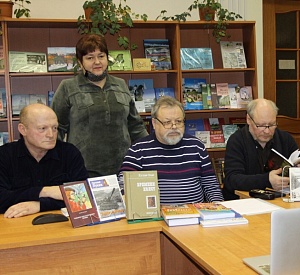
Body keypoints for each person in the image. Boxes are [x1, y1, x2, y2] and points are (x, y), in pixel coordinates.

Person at [52, 34, 148, 177]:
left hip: (125, 168)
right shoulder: (68, 87)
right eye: (90, 58)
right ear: (80, 62)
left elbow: (135, 126)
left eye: (101, 56)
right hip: (83, 170)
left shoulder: (120, 84)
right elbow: (56, 129)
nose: (97, 62)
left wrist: (152, 150)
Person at [119, 96, 223, 204]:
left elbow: (211, 186)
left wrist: (218, 210)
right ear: (154, 123)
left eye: (178, 121)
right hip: (155, 217)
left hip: (194, 215)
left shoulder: (196, 146)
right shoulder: (138, 149)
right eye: (167, 122)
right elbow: (124, 185)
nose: (174, 127)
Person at [0, 103, 88, 218]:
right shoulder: (4, 155)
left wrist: (40, 205)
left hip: (62, 226)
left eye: (54, 128)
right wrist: (44, 191)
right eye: (42, 128)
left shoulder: (69, 153)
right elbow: (2, 198)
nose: (51, 135)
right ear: (23, 129)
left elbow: (84, 197)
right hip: (16, 226)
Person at [223, 98, 300, 200]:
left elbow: (297, 168)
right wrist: (267, 180)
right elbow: (232, 180)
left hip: (280, 200)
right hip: (244, 202)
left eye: (272, 125)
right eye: (261, 125)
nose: (267, 131)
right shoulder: (236, 141)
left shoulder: (285, 139)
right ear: (249, 120)